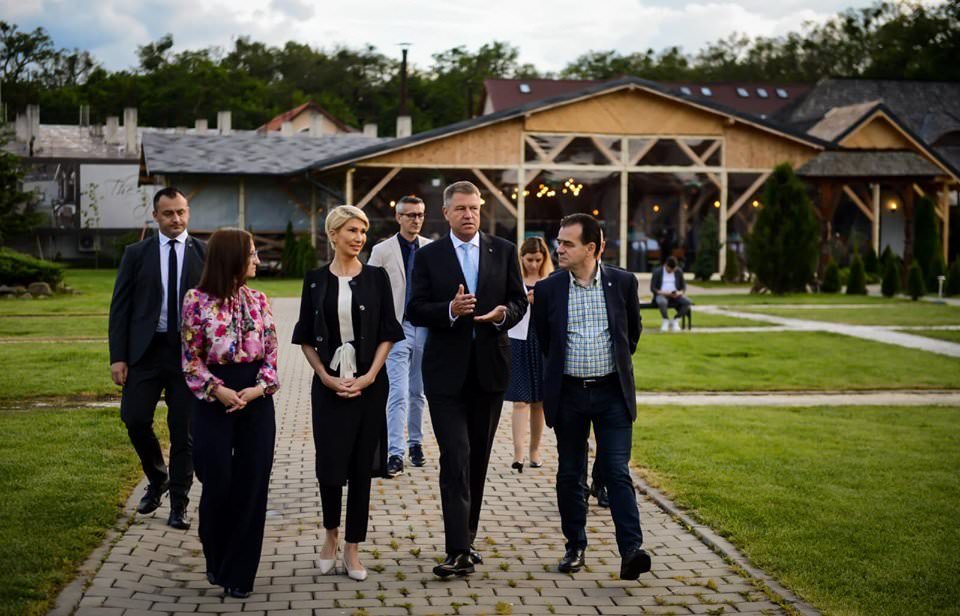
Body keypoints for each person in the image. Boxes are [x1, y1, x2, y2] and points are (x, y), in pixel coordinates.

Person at [407, 180, 527, 578]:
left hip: (489, 371)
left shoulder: (504, 250)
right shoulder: (429, 256)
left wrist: (502, 317)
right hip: (445, 376)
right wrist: (450, 310)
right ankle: (457, 548)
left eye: (474, 208)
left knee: (477, 460)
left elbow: (518, 301)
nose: (469, 214)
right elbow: (415, 309)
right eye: (461, 208)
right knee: (455, 456)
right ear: (446, 213)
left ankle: (467, 540)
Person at [531, 213, 651, 581]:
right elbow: (544, 340)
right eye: (559, 241)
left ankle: (631, 550)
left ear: (592, 248)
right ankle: (575, 546)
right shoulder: (550, 288)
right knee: (570, 474)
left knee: (616, 471)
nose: (559, 248)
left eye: (568, 243)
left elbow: (630, 334)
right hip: (568, 394)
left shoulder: (623, 282)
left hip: (612, 393)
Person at [292, 205, 403, 582]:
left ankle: (353, 549)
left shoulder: (376, 278)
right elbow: (304, 336)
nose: (359, 238)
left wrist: (371, 375)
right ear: (333, 234)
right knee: (330, 467)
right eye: (352, 231)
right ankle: (330, 538)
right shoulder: (314, 280)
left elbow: (389, 331)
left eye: (363, 231)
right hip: (329, 387)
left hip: (369, 386)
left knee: (360, 468)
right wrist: (323, 375)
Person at [180, 228, 279, 599]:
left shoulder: (259, 299)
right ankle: (216, 554)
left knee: (252, 486)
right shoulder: (196, 300)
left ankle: (240, 573)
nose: (257, 260)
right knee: (217, 481)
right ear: (232, 258)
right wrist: (218, 391)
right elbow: (190, 361)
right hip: (212, 398)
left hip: (255, 397)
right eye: (251, 254)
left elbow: (271, 354)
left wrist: (258, 389)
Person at [108, 187, 206, 530]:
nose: (176, 219)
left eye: (181, 212)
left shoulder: (203, 253)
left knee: (184, 432)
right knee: (134, 418)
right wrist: (118, 357)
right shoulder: (136, 254)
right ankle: (157, 475)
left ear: (188, 212)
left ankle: (179, 502)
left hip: (189, 357)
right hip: (145, 354)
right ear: (155, 216)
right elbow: (120, 308)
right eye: (168, 213)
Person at [367, 195, 432, 477]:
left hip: (427, 327)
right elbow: (370, 290)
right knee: (398, 391)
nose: (415, 219)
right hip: (397, 328)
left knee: (418, 392)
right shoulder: (382, 251)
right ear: (398, 217)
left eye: (419, 215)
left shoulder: (432, 248)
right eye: (409, 215)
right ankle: (395, 452)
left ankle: (415, 443)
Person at [505, 237, 553, 472]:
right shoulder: (515, 280)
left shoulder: (550, 280)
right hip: (519, 340)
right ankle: (518, 453)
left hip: (542, 342)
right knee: (520, 400)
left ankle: (535, 450)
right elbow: (507, 305)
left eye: (538, 259)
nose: (533, 264)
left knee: (539, 402)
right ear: (521, 258)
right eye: (529, 259)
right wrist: (526, 300)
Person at [651, 256, 691, 332]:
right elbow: (653, 288)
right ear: (666, 265)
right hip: (662, 295)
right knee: (662, 302)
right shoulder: (657, 272)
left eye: (674, 269)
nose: (672, 271)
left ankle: (675, 320)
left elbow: (683, 287)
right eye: (670, 269)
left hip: (675, 296)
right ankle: (665, 320)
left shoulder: (679, 271)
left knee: (687, 302)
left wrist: (679, 293)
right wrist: (666, 293)